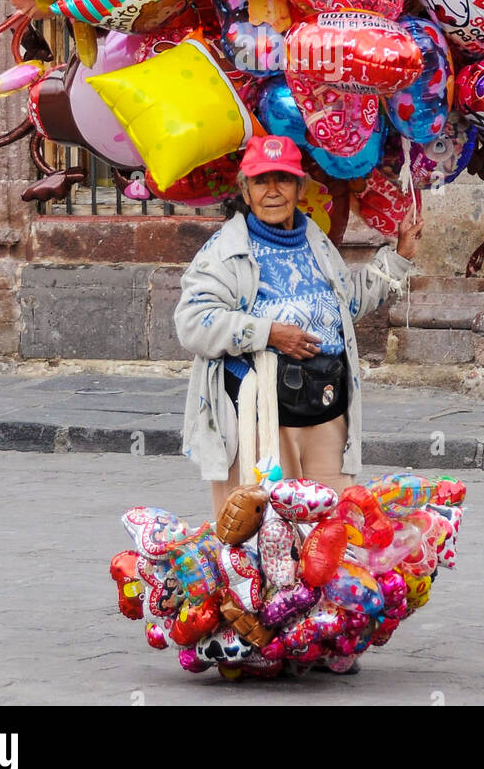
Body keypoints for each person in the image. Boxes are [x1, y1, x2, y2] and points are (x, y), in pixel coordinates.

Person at [174, 133, 424, 518]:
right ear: (245, 188)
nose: (272, 191)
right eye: (261, 181)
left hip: (325, 407)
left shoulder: (314, 240)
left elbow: (347, 303)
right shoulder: (225, 252)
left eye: (283, 179)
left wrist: (400, 255)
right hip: (259, 415)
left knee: (334, 522)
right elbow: (193, 323)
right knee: (266, 529)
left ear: (300, 186)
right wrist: (269, 333)